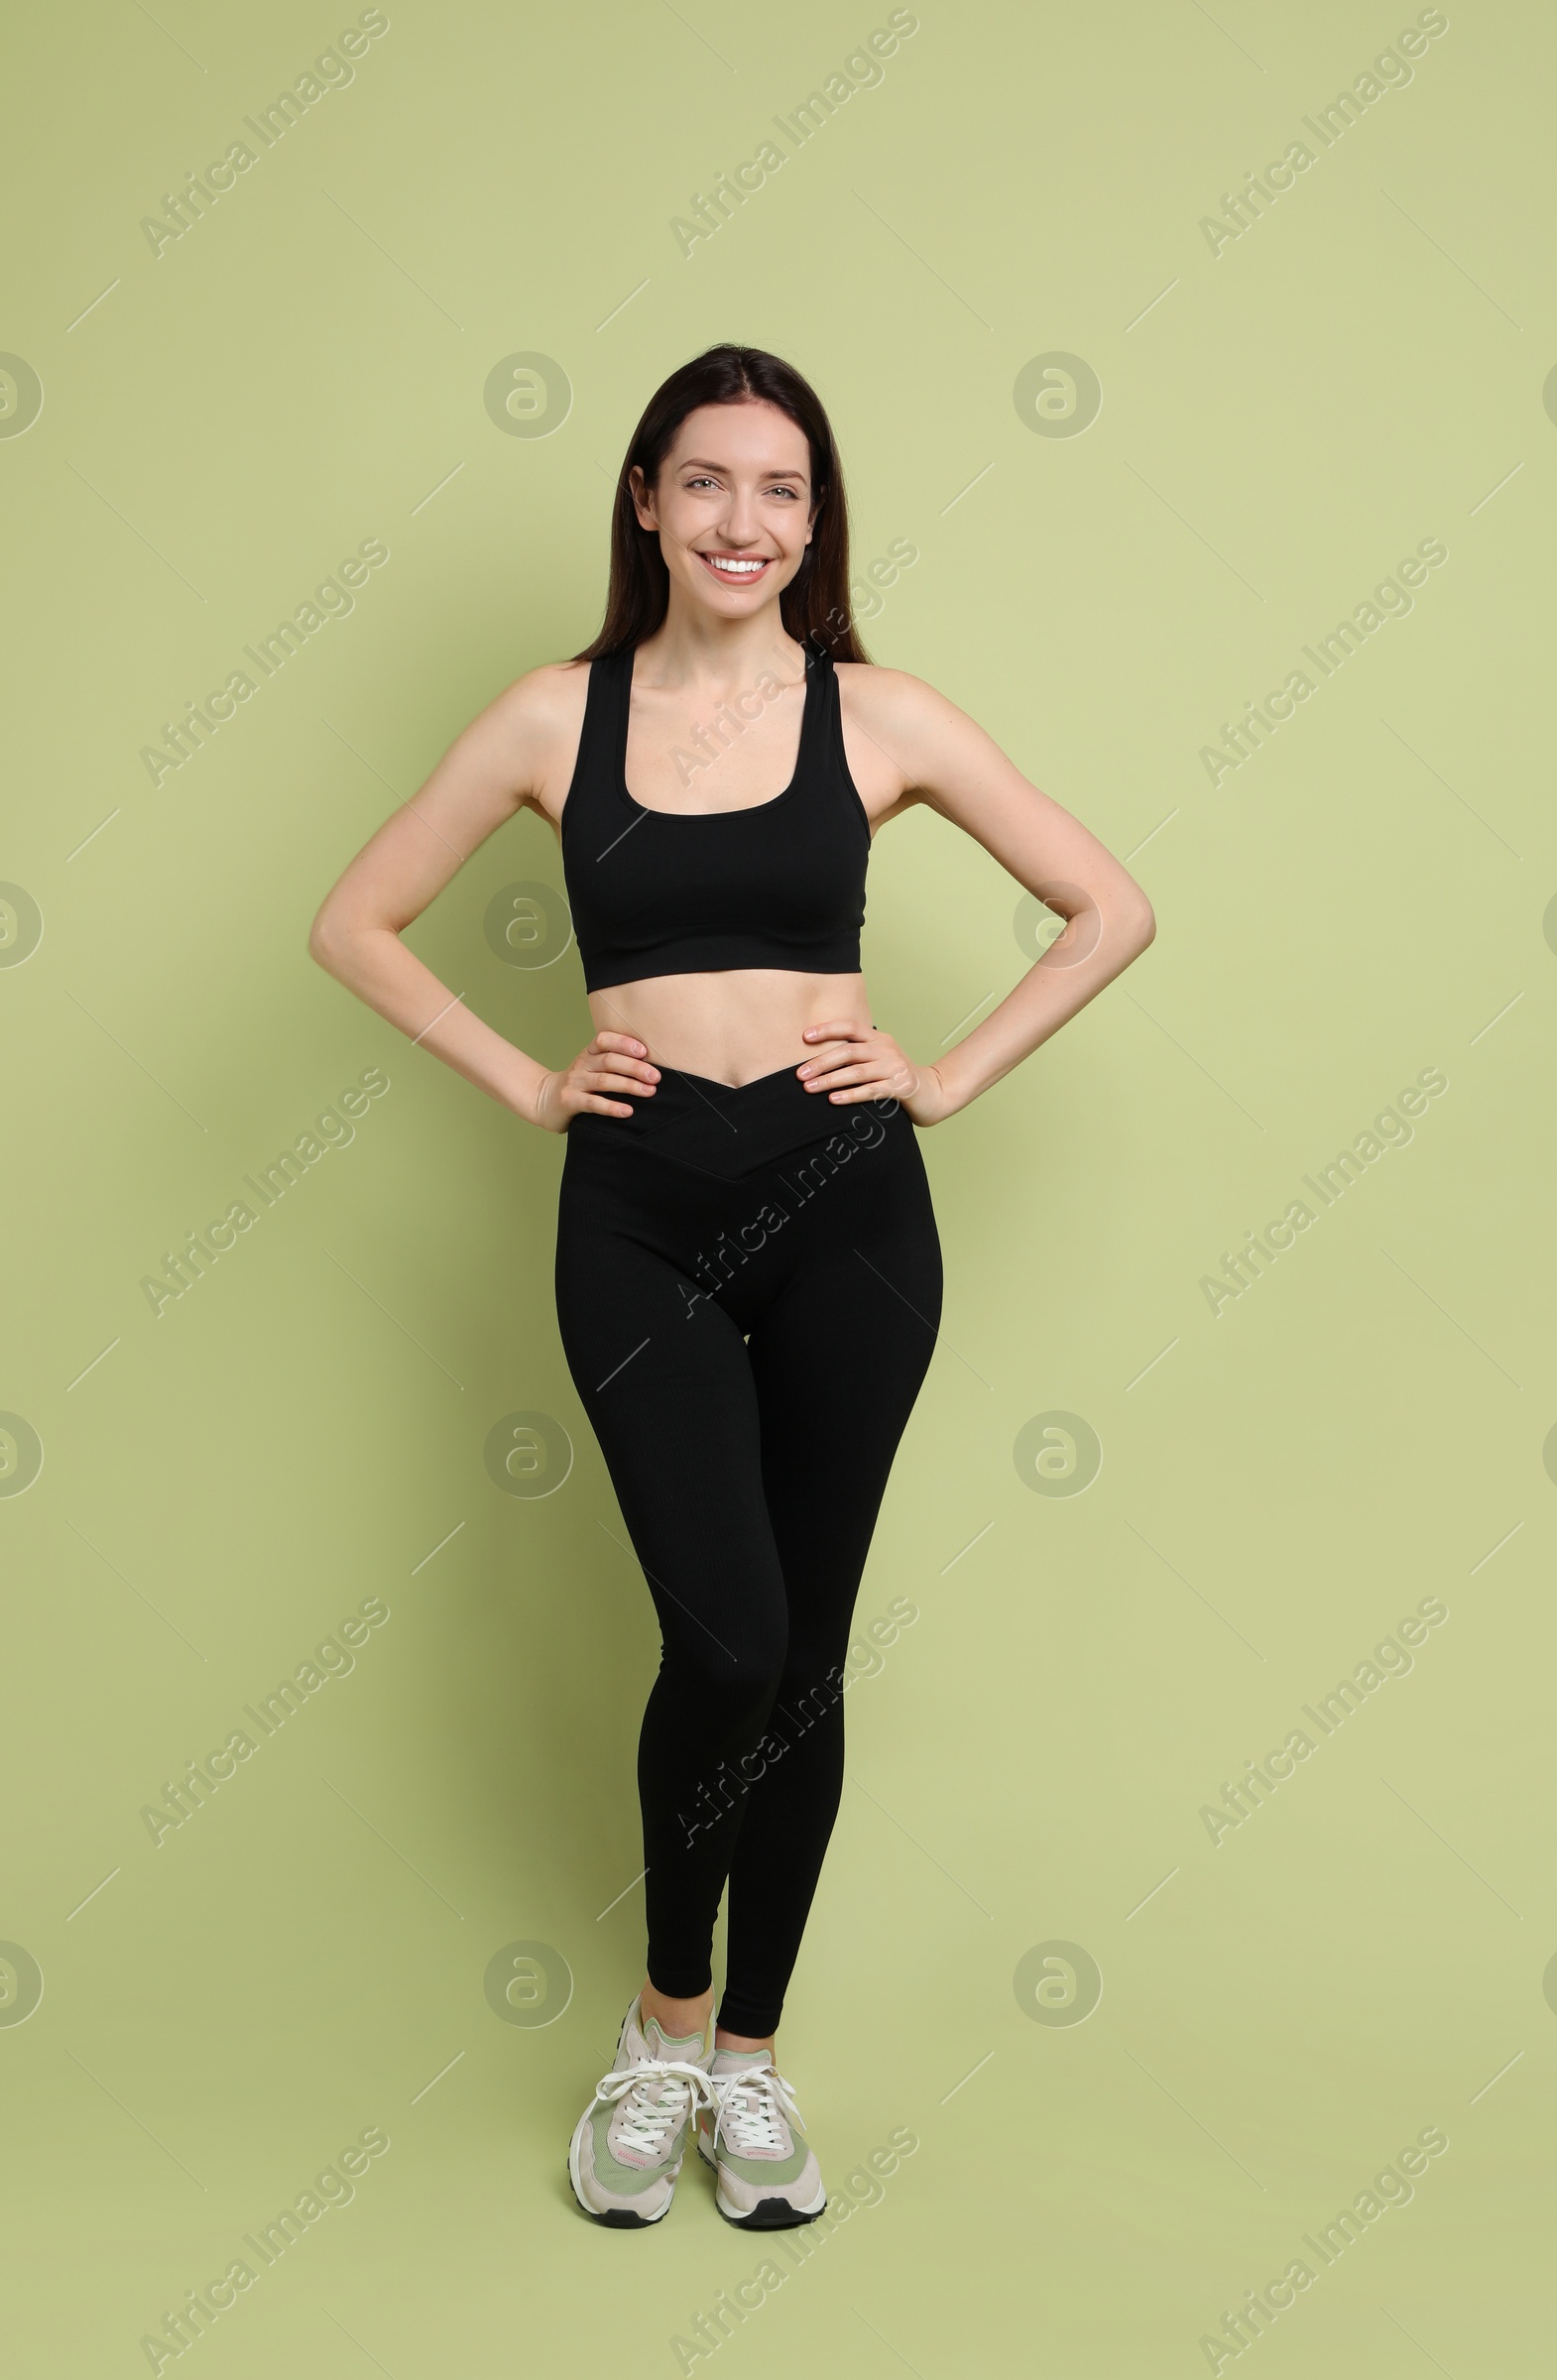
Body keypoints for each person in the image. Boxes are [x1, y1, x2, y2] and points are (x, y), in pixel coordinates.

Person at [309, 341, 1156, 2230]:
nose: (744, 523)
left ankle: (753, 2070)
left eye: (782, 491)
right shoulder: (553, 716)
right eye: (708, 483)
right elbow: (352, 920)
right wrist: (530, 1077)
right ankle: (660, 2035)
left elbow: (1112, 906)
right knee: (731, 1639)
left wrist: (942, 1076)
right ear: (644, 501)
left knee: (811, 1650)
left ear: (816, 517)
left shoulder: (883, 717)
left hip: (850, 1201)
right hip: (637, 1209)